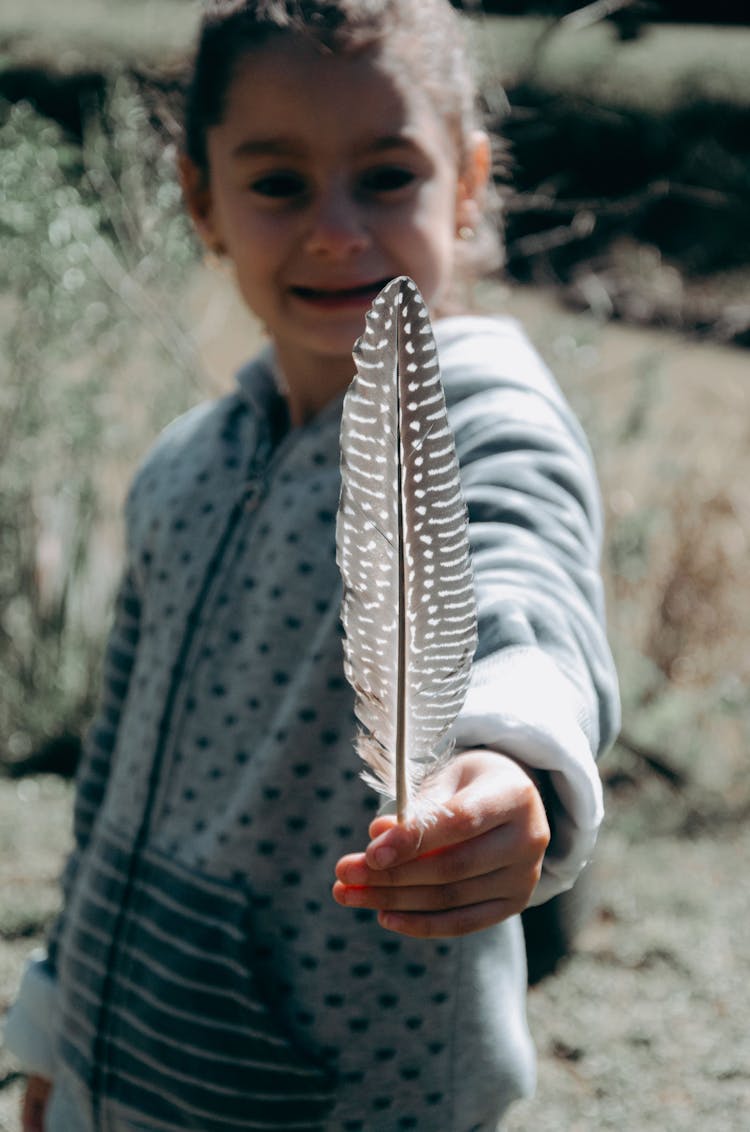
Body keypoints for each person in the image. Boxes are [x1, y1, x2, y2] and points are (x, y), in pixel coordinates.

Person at [4, 2, 620, 1129]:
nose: (337, 230)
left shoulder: (473, 418)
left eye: (387, 177)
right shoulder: (183, 465)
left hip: (338, 1093)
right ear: (203, 201)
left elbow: (524, 589)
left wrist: (507, 759)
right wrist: (55, 1037)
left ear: (468, 185)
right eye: (279, 183)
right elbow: (110, 793)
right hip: (117, 1065)